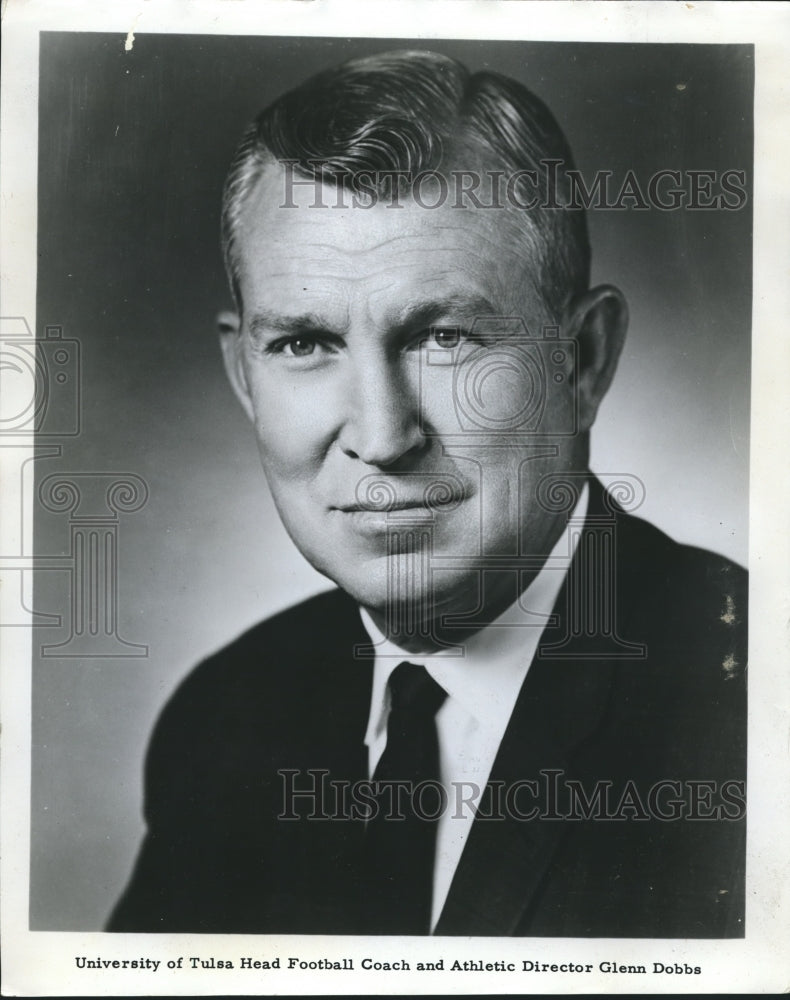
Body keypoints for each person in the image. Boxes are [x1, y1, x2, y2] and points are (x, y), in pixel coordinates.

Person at [108, 50, 746, 937]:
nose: (381, 434)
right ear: (244, 375)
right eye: (303, 344)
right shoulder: (230, 717)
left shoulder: (751, 708)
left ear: (585, 359)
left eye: (443, 336)